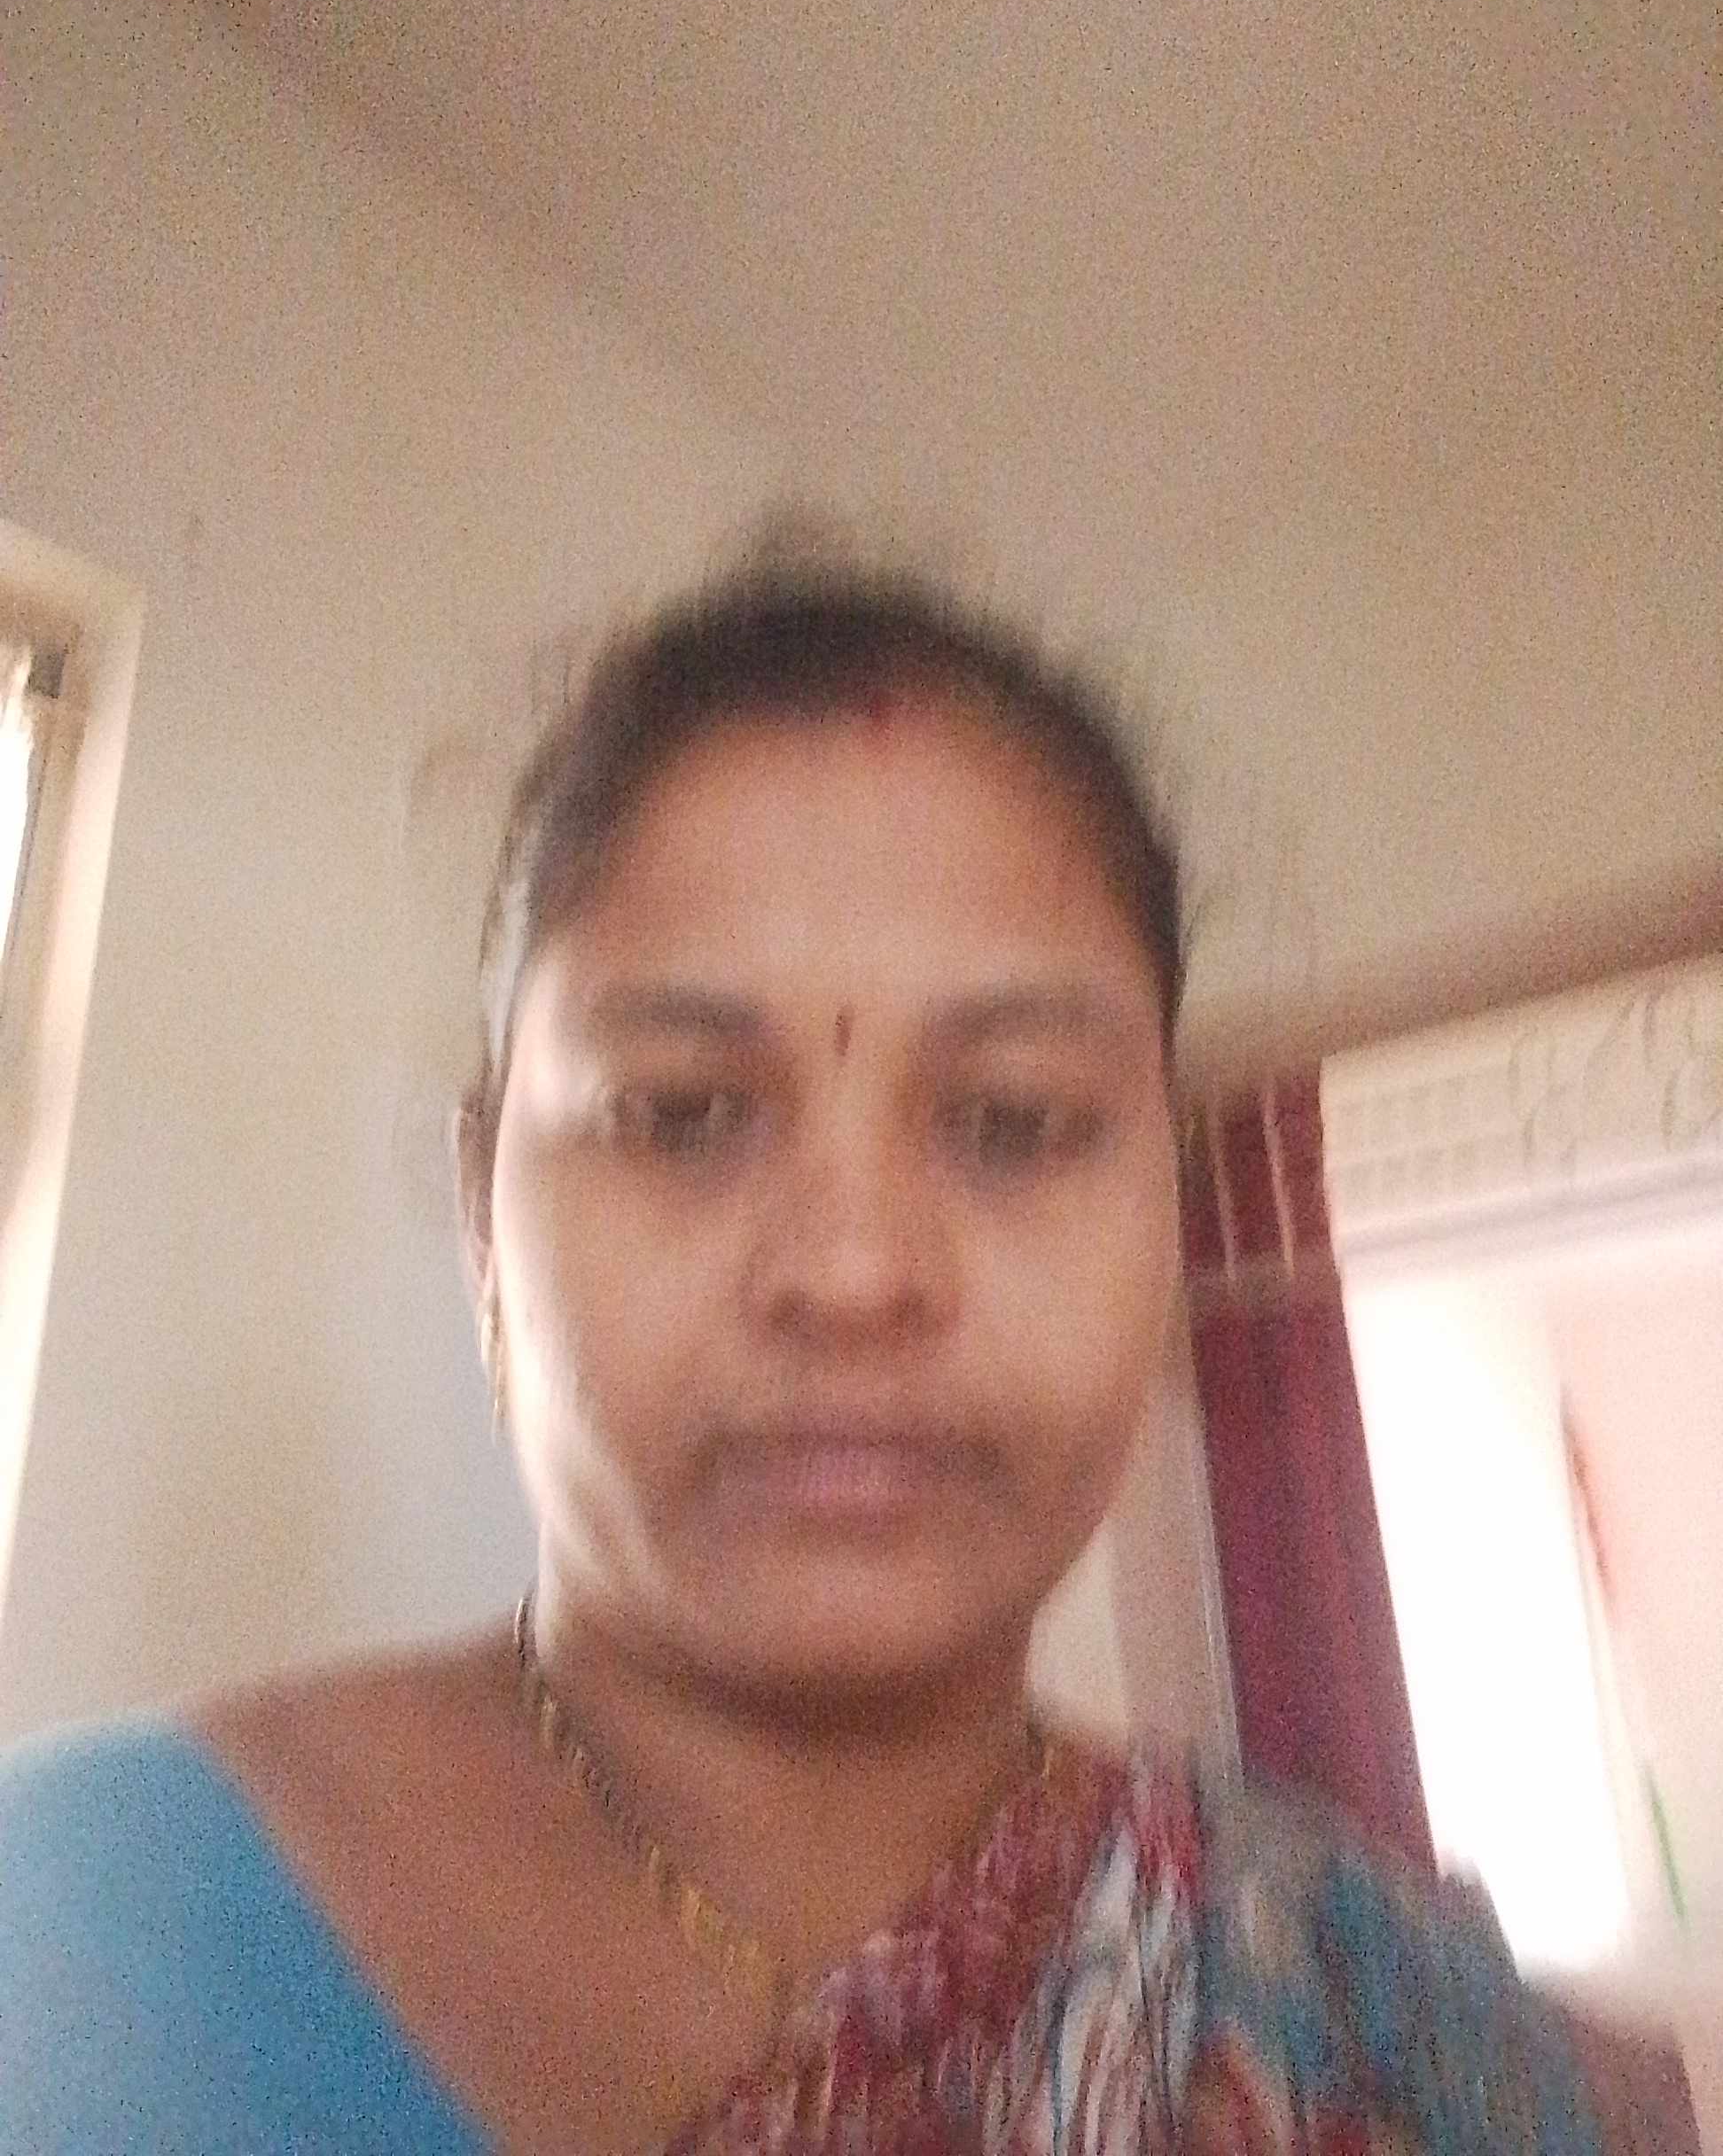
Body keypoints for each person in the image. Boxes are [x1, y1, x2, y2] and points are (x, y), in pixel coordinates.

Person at [0, 554, 1602, 2153]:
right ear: (487, 1227)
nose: (853, 1272)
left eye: (1016, 1122)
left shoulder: (1393, 2022)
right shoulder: (63, 1938)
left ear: (1169, 1215)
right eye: (684, 1114)